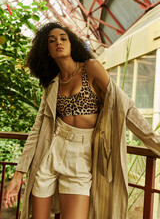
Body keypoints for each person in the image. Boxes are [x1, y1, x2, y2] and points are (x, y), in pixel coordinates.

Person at [3, 22, 160, 219]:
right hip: (50, 151)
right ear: (48, 52)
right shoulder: (53, 85)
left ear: (72, 44)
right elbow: (37, 130)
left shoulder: (91, 68)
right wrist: (18, 174)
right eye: (52, 41)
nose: (58, 42)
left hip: (81, 155)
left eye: (63, 38)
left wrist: (156, 144)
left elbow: (125, 108)